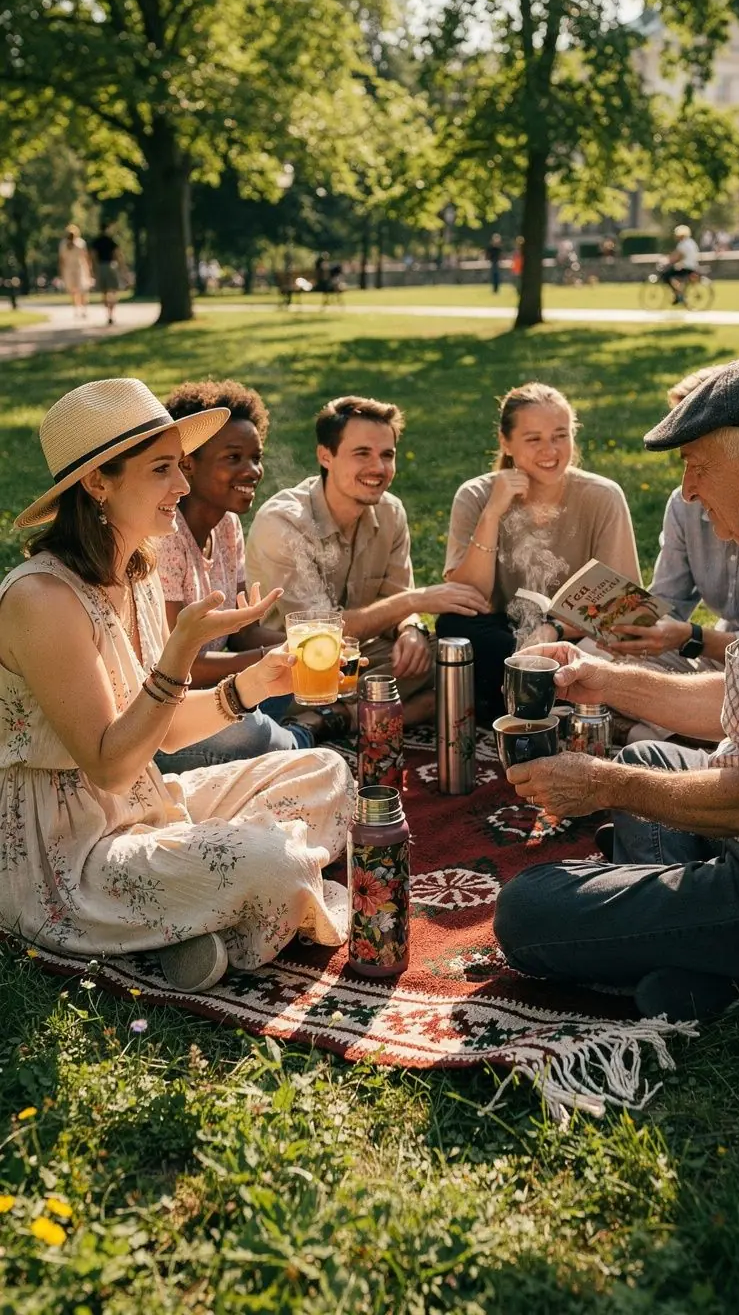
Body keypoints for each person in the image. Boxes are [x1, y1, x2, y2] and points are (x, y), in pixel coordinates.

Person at [0, 378, 354, 994]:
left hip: (150, 805)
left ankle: (195, 915)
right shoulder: (41, 599)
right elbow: (110, 765)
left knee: (325, 772)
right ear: (98, 482)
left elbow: (156, 732)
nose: (184, 486)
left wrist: (251, 685)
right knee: (270, 863)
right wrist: (180, 650)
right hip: (70, 857)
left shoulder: (132, 568)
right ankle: (215, 909)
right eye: (163, 469)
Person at [494, 354, 739, 1023]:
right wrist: (607, 681)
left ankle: (717, 955)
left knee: (526, 908)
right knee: (647, 756)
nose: (690, 491)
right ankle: (693, 957)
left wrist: (604, 786)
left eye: (697, 465)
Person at [245, 395, 489, 728]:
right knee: (314, 676)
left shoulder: (390, 512)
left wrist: (412, 629)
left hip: (359, 660)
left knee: (451, 657)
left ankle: (339, 717)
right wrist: (417, 600)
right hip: (291, 667)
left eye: (387, 455)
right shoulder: (284, 523)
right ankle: (376, 713)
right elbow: (320, 635)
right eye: (362, 454)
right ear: (325, 456)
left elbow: (396, 601)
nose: (378, 468)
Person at [439, 382, 641, 723]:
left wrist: (554, 631)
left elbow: (623, 607)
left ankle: (527, 697)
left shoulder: (603, 496)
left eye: (560, 435)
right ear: (506, 442)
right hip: (504, 637)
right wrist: (492, 514)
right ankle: (546, 697)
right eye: (533, 439)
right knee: (455, 626)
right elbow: (468, 597)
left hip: (577, 638)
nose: (550, 450)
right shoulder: (474, 496)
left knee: (607, 654)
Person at [155, 380, 320, 774]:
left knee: (312, 684)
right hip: (174, 709)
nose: (252, 471)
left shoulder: (227, 526)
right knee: (250, 732)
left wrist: (308, 646)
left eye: (255, 457)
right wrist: (269, 662)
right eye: (233, 458)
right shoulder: (163, 538)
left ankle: (289, 729)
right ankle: (302, 737)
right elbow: (180, 662)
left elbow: (244, 633)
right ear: (187, 463)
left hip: (229, 686)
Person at [610, 366, 739, 673]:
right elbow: (667, 600)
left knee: (638, 697)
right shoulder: (684, 503)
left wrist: (695, 637)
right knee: (613, 663)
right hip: (719, 654)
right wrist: (635, 625)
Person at [89, 219, 124, 325]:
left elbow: (93, 257)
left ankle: (108, 313)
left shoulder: (96, 242)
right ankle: (111, 312)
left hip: (101, 267)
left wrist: (93, 269)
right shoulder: (111, 240)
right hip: (111, 266)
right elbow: (117, 255)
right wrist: (122, 267)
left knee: (104, 292)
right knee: (113, 290)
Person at [58, 224, 94, 318]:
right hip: (69, 269)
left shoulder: (80, 243)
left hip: (79, 268)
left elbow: (85, 257)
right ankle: (77, 309)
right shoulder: (63, 244)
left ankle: (83, 309)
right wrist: (62, 272)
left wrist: (88, 270)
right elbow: (62, 260)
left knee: (82, 289)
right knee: (73, 290)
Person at [660, 223, 701, 304]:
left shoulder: (683, 244)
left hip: (686, 267)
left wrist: (666, 260)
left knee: (666, 275)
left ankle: (677, 293)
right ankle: (679, 292)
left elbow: (677, 257)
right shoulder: (691, 242)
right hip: (693, 266)